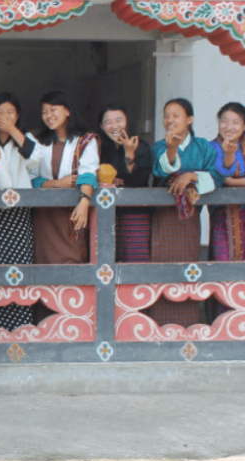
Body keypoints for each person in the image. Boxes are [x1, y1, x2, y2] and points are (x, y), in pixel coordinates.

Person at [151, 98, 223, 327]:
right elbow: (159, 170)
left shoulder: (204, 147)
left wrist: (191, 176)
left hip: (190, 218)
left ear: (189, 119)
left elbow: (217, 177)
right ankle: (159, 324)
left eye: (176, 115)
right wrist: (172, 149)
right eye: (166, 116)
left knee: (187, 268)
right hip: (164, 218)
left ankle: (186, 323)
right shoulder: (159, 147)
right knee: (162, 266)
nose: (169, 120)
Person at [0, 92, 38, 331]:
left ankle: (21, 326)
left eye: (10, 112)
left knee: (19, 269)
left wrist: (14, 130)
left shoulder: (26, 139)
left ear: (18, 116)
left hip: (19, 216)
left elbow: (36, 160)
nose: (4, 117)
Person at [208, 102, 245, 320]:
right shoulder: (212, 147)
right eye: (224, 121)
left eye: (235, 122)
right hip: (223, 217)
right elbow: (219, 174)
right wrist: (229, 158)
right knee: (224, 266)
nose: (229, 127)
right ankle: (222, 320)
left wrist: (234, 182)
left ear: (244, 126)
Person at [29, 91, 98, 270]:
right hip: (45, 216)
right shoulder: (39, 143)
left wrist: (84, 202)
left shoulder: (85, 141)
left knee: (73, 262)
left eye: (53, 109)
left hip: (74, 212)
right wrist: (57, 184)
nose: (48, 115)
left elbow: (88, 174)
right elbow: (32, 179)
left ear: (67, 111)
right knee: (44, 265)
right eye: (44, 111)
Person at [98, 104, 154, 263]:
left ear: (127, 122)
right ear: (101, 126)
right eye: (108, 122)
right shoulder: (101, 149)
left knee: (134, 258)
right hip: (106, 212)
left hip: (134, 212)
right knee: (107, 260)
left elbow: (138, 179)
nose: (114, 126)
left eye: (119, 120)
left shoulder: (140, 146)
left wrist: (129, 152)